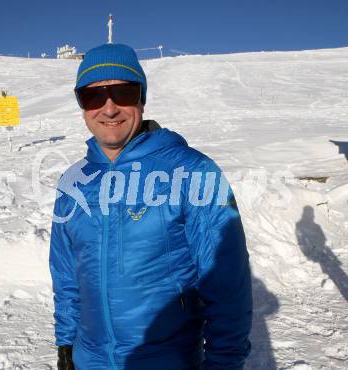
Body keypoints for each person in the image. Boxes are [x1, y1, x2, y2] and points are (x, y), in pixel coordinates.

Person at [50, 43, 252, 370]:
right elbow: (66, 276)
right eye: (93, 96)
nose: (109, 108)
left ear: (141, 98)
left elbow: (227, 286)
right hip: (90, 362)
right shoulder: (73, 182)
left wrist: (224, 363)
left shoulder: (193, 172)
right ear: (82, 106)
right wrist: (66, 344)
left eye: (124, 92)